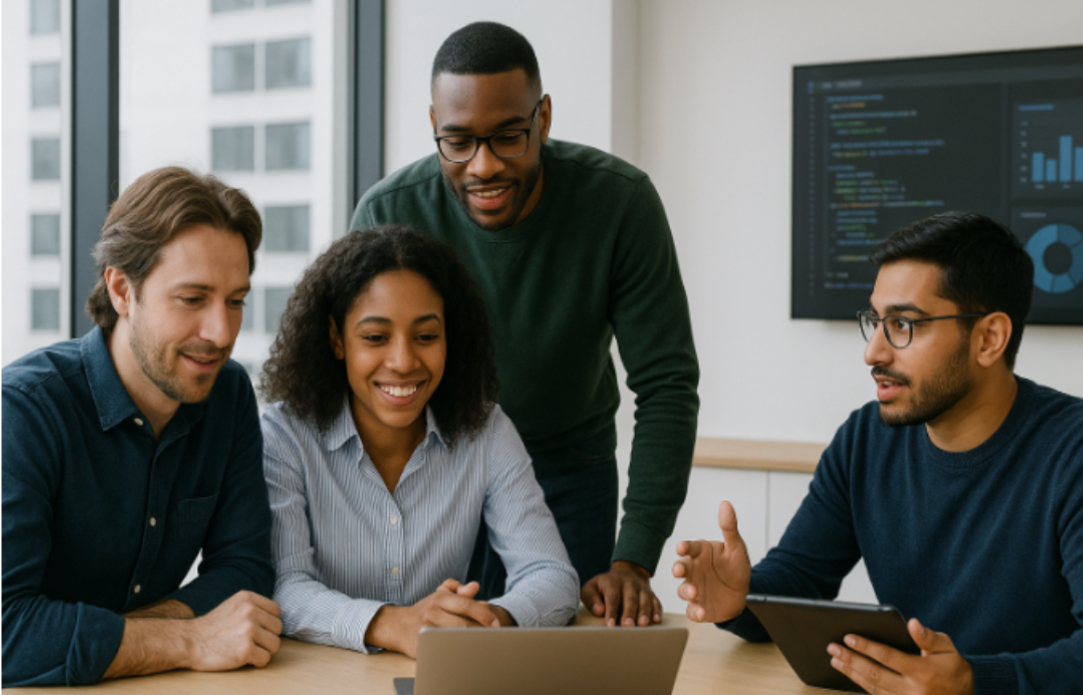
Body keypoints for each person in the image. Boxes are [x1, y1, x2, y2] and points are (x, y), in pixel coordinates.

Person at [351, 21, 699, 629]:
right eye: (456, 142)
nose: (483, 166)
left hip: (567, 471)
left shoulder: (620, 204)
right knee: (436, 655)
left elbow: (667, 385)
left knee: (563, 660)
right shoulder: (388, 213)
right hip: (434, 470)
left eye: (509, 136)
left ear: (543, 118)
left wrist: (634, 560)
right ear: (433, 123)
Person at [673, 211, 1083, 695]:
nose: (874, 353)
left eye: (904, 325)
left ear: (989, 339)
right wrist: (743, 600)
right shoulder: (866, 439)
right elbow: (801, 576)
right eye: (875, 321)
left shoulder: (1071, 452)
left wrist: (976, 683)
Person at [2, 167, 282, 687]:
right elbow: (7, 635)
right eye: (192, 299)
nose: (221, 334)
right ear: (122, 290)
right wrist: (191, 638)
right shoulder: (22, 412)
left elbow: (245, 574)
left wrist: (118, 636)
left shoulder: (228, 393)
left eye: (236, 301)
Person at [259, 225, 579, 657]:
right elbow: (284, 588)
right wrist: (394, 624)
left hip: (436, 678)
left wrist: (486, 623)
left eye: (426, 336)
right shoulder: (285, 435)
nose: (404, 361)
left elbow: (551, 575)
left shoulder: (486, 430)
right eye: (375, 338)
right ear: (336, 339)